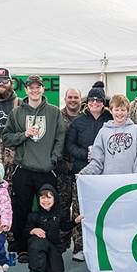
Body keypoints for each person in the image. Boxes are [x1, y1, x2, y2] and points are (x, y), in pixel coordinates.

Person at [1, 75, 66, 263]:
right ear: (26, 90)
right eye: (31, 87)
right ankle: (22, 247)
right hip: (24, 169)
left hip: (46, 170)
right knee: (21, 209)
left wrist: (53, 160)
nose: (35, 90)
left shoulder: (54, 112)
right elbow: (7, 137)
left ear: (43, 89)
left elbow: (60, 138)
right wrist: (24, 134)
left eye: (38, 87)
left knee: (50, 210)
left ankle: (49, 245)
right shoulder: (17, 112)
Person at [65, 84, 112, 261]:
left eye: (98, 100)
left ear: (103, 102)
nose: (94, 103)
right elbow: (69, 146)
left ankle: (103, 247)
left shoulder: (110, 119)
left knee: (103, 210)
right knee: (79, 210)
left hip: (104, 175)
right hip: (82, 173)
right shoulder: (78, 121)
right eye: (91, 99)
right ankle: (79, 247)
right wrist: (86, 154)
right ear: (87, 102)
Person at [26, 184, 84, 272]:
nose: (45, 201)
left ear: (54, 199)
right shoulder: (34, 215)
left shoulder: (59, 213)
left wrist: (75, 221)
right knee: (38, 243)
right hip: (38, 243)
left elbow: (64, 226)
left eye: (49, 197)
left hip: (53, 245)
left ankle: (45, 263)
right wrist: (33, 230)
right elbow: (25, 231)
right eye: (42, 197)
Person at [79, 94, 137, 176]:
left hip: (130, 183)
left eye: (123, 110)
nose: (120, 113)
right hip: (109, 182)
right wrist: (85, 173)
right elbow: (97, 160)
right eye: (117, 110)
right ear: (111, 111)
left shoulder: (136, 131)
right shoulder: (103, 132)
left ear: (128, 111)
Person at [55, 87, 83, 251]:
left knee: (79, 208)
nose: (73, 100)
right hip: (62, 169)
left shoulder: (85, 117)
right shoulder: (57, 116)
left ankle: (78, 245)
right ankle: (62, 240)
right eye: (70, 97)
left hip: (81, 169)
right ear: (65, 99)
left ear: (80, 99)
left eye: (76, 97)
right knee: (63, 206)